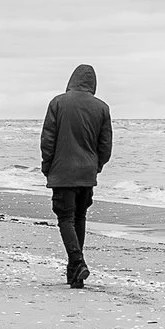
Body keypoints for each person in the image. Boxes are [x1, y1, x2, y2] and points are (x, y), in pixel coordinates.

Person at [39, 64, 112, 287]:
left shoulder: (58, 103)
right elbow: (105, 146)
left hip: (62, 171)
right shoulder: (102, 108)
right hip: (86, 172)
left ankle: (77, 262)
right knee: (79, 217)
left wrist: (47, 166)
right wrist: (96, 166)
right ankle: (74, 274)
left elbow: (48, 139)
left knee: (65, 218)